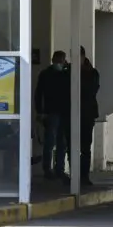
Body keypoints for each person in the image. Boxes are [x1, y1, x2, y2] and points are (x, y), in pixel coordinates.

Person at [62, 46, 100, 186]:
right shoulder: (68, 72)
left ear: (83, 57)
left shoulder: (92, 73)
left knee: (85, 146)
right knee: (72, 146)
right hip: (70, 113)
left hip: (86, 114)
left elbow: (91, 91)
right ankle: (74, 175)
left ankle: (84, 175)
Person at [34, 50, 70, 180]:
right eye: (57, 61)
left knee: (61, 142)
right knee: (51, 141)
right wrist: (40, 111)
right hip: (52, 112)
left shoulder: (66, 74)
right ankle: (49, 169)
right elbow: (39, 94)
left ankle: (58, 169)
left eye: (61, 61)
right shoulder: (46, 74)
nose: (58, 64)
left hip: (62, 112)